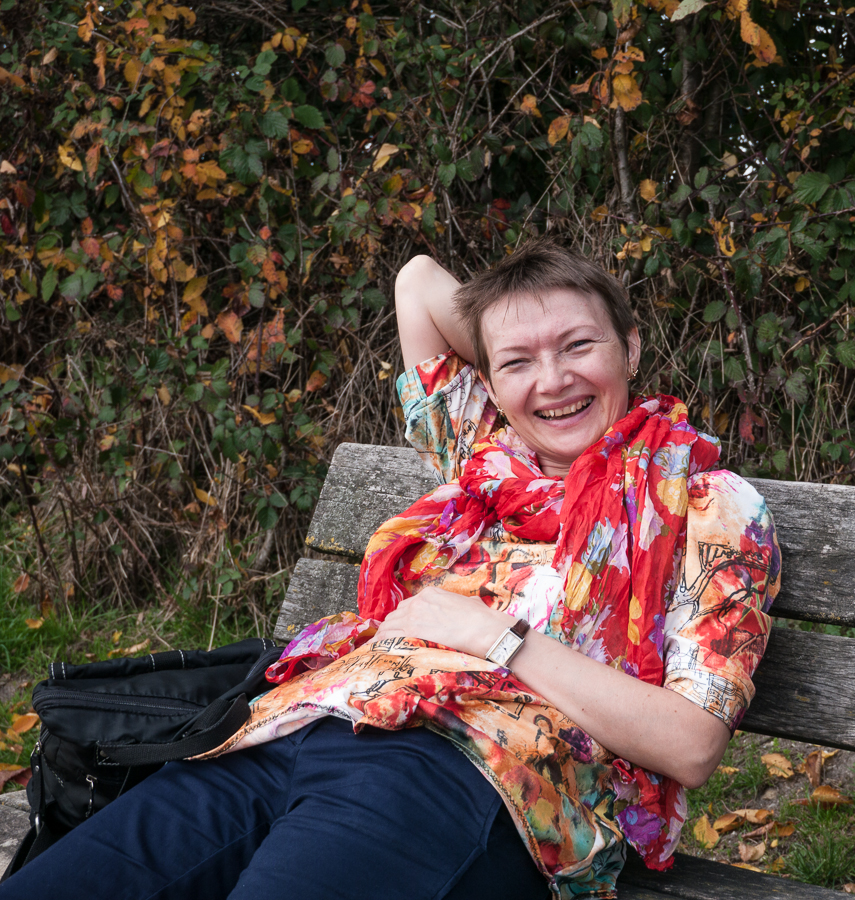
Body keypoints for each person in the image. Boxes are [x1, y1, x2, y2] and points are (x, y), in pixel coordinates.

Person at [1, 240, 779, 900]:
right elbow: (418, 281)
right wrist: (521, 345)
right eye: (517, 363)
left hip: (468, 772)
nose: (552, 382)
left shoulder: (706, 504)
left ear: (631, 349)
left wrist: (496, 637)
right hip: (287, 729)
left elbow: (690, 744)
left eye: (580, 347)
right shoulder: (487, 460)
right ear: (489, 380)